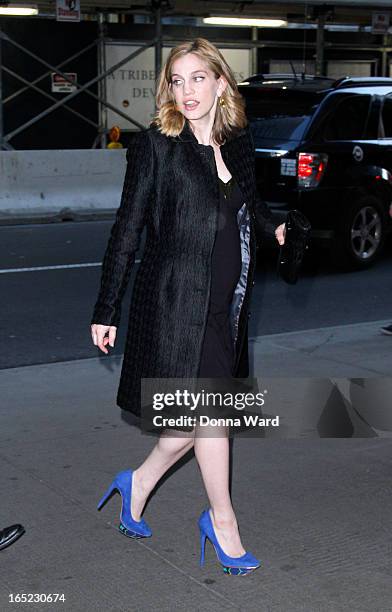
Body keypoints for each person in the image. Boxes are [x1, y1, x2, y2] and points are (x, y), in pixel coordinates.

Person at [91, 38, 285, 576]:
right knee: (212, 416)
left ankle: (138, 483)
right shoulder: (157, 147)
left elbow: (253, 204)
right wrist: (107, 307)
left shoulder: (238, 141)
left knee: (186, 424)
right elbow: (127, 229)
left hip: (226, 306)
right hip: (177, 305)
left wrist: (280, 230)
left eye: (198, 78)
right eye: (177, 81)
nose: (187, 90)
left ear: (221, 81)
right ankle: (222, 521)